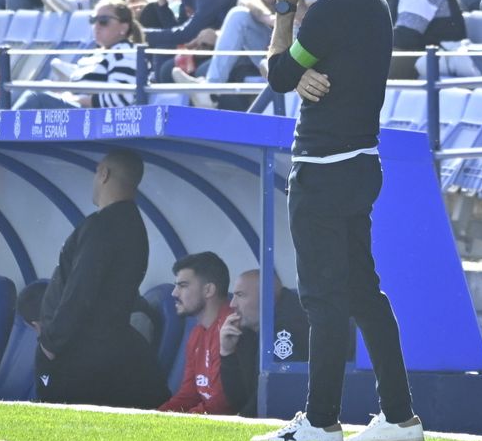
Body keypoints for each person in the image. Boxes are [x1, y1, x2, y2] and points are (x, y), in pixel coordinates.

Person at [256, 0, 421, 441]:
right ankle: (399, 417)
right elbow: (309, 69)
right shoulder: (373, 5)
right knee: (364, 295)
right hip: (361, 166)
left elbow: (280, 71)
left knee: (323, 300)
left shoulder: (326, 12)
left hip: (322, 170)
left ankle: (320, 421)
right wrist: (300, 74)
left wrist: (285, 5)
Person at [33, 148, 172, 407]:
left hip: (75, 353)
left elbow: (80, 290)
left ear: (104, 173)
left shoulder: (102, 226)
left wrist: (51, 343)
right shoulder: (134, 225)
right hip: (103, 345)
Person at [217, 269, 309, 418]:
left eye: (240, 295)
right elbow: (238, 401)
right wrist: (227, 352)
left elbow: (275, 393)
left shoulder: (288, 326)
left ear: (267, 297)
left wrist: (240, 421)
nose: (232, 304)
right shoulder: (249, 329)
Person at [158, 251, 236, 414]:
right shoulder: (197, 334)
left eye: (183, 285)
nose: (174, 293)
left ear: (208, 290)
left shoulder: (230, 327)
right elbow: (188, 396)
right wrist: (155, 418)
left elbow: (221, 405)